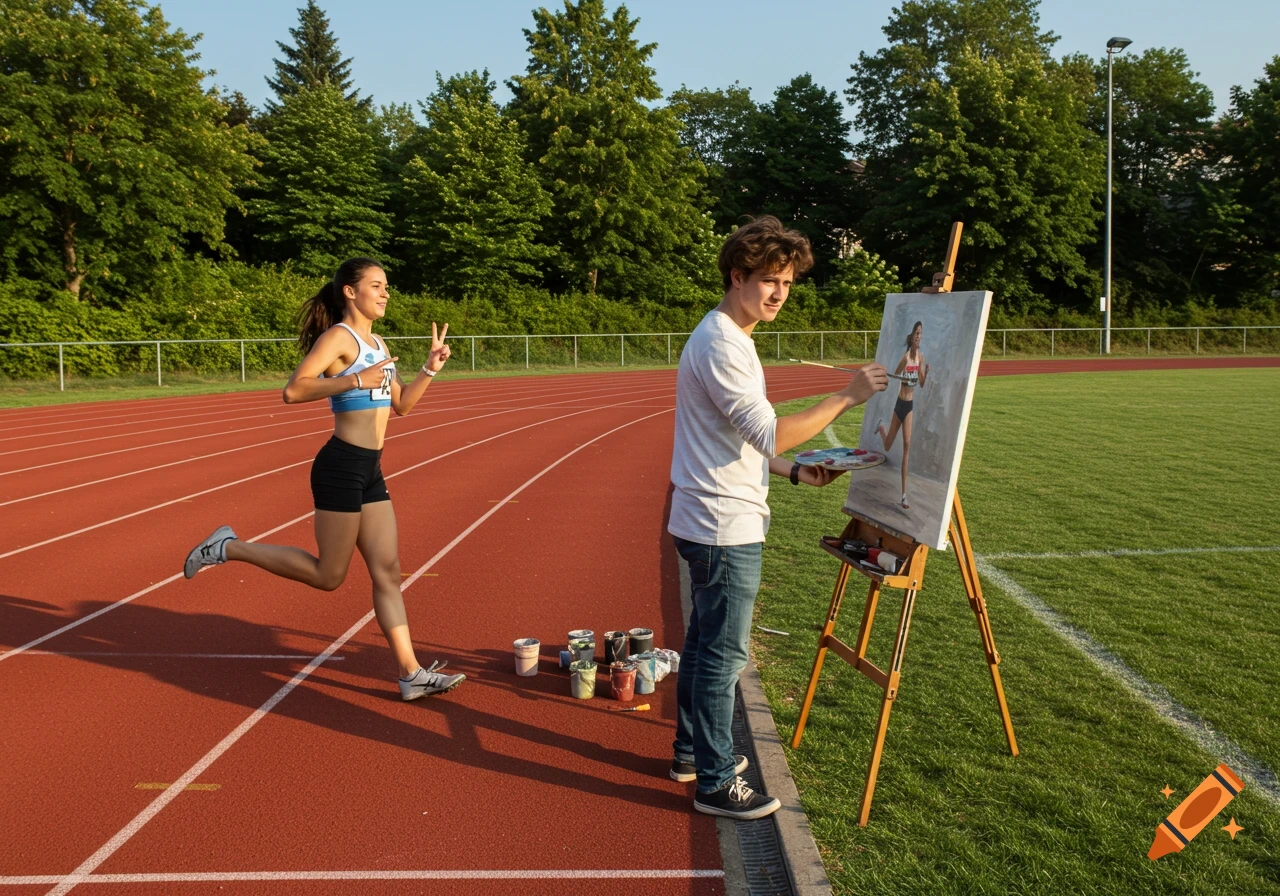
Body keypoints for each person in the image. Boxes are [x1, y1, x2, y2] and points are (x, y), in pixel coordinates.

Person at [667, 217, 888, 819]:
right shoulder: (722, 343)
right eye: (769, 280)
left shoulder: (730, 336)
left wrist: (794, 471)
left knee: (705, 644)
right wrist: (845, 396)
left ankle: (691, 751)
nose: (779, 293)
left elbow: (734, 443)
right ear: (737, 276)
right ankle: (714, 780)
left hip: (711, 512)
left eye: (788, 282)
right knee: (723, 654)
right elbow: (765, 431)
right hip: (720, 523)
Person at [183, 257, 466, 701]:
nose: (386, 292)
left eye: (387, 285)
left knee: (387, 572)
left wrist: (430, 368)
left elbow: (403, 407)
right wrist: (354, 379)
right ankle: (227, 546)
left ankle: (411, 673)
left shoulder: (378, 341)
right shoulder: (340, 337)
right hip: (340, 466)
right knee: (328, 575)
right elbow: (294, 390)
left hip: (370, 468)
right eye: (377, 285)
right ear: (350, 292)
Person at [873, 321, 930, 509]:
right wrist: (902, 376)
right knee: (888, 446)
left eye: (921, 333)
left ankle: (904, 495)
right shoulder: (906, 358)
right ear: (912, 336)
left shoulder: (920, 357)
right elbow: (894, 374)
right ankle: (881, 427)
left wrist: (925, 373)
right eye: (917, 333)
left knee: (907, 445)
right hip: (900, 404)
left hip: (910, 405)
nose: (919, 337)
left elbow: (921, 383)